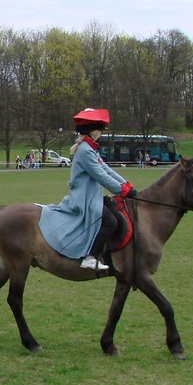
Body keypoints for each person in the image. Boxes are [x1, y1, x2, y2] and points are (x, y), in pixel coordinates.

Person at [38, 108, 135, 272]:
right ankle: (90, 257)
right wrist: (123, 191)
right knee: (111, 222)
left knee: (113, 213)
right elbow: (101, 176)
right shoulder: (85, 151)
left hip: (92, 196)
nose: (101, 134)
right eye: (100, 131)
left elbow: (106, 170)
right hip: (84, 198)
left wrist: (126, 184)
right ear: (93, 131)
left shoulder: (90, 149)